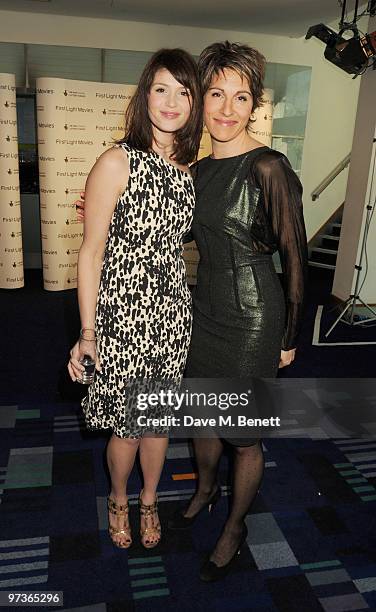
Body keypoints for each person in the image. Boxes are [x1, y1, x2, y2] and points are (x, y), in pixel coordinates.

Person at [168, 41, 307, 582]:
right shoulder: (197, 171)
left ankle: (235, 526)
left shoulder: (269, 167)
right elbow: (172, 233)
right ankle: (205, 488)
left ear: (256, 105)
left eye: (241, 97)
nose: (228, 109)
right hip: (204, 309)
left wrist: (289, 335)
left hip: (253, 315)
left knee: (242, 433)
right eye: (217, 95)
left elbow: (294, 257)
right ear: (200, 102)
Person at [67, 48, 202, 550]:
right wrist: (87, 333)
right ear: (145, 93)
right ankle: (119, 498)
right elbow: (90, 252)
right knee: (126, 425)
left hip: (172, 313)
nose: (172, 102)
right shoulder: (115, 160)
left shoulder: (191, 169)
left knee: (158, 421)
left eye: (184, 92)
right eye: (162, 88)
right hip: (121, 312)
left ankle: (150, 500)